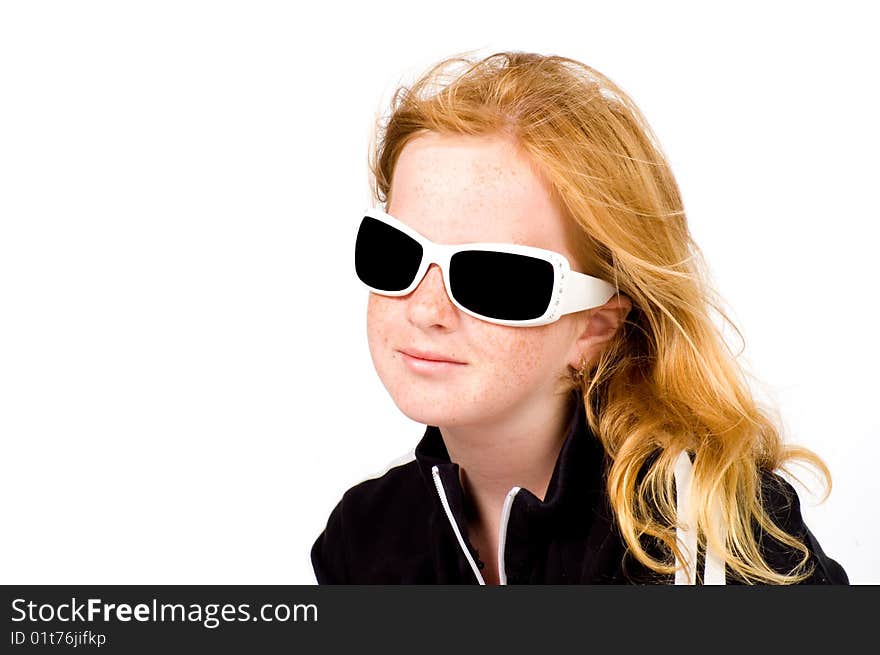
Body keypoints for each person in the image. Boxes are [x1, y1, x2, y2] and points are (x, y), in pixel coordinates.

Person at [310, 50, 849, 584]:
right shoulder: (364, 535)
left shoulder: (709, 535)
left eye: (497, 278)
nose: (427, 310)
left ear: (594, 327)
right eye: (394, 253)